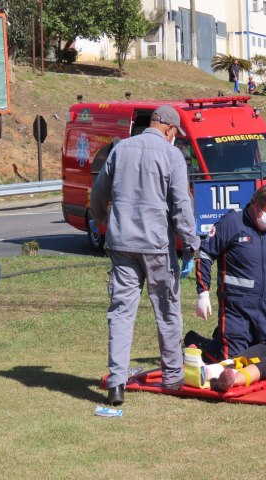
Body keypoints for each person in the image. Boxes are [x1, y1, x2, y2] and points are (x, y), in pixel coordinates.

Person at [91, 105, 201, 406]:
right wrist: (191, 242)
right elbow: (181, 204)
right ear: (168, 129)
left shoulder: (120, 148)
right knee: (166, 311)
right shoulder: (171, 155)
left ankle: (116, 383)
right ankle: (172, 376)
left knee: (121, 313)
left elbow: (98, 192)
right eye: (175, 134)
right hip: (156, 247)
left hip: (121, 243)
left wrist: (101, 220)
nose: (174, 139)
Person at [186, 185, 266, 362]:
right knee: (234, 361)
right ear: (256, 205)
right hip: (236, 308)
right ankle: (195, 342)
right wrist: (203, 294)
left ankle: (222, 337)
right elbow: (205, 255)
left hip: (265, 312)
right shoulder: (232, 223)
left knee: (265, 359)